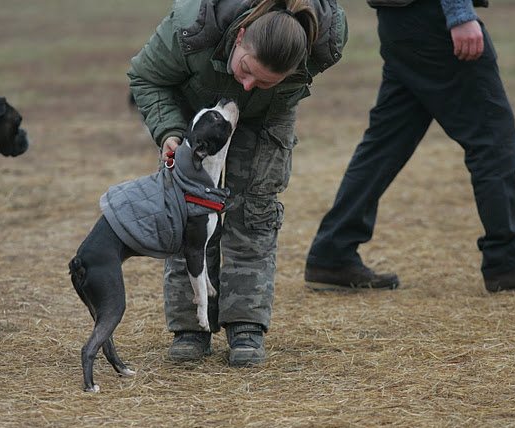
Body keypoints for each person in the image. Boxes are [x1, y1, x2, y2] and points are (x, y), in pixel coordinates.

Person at [304, 0, 515, 292]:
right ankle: (509, 256)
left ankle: (332, 254)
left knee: (386, 142)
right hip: (434, 15)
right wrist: (459, 13)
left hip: (397, 19)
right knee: (492, 134)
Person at [128, 0, 349, 365]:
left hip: (268, 117)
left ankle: (245, 326)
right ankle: (190, 327)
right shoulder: (193, 28)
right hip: (197, 112)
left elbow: (270, 79)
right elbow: (145, 77)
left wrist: (268, 90)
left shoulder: (326, 40)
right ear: (240, 36)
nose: (247, 85)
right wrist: (168, 130)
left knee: (256, 211)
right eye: (246, 69)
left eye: (264, 81)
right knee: (188, 215)